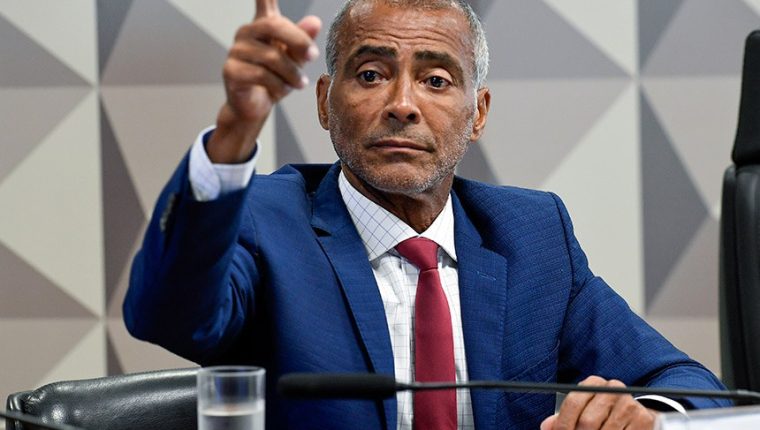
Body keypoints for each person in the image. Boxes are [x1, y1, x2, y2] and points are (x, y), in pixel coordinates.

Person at [123, 0, 730, 429]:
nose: (402, 104)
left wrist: (645, 417)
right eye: (370, 75)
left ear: (478, 113)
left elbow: (690, 385)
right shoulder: (267, 219)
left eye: (436, 80)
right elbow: (168, 316)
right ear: (325, 102)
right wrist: (234, 133)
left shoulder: (533, 235)